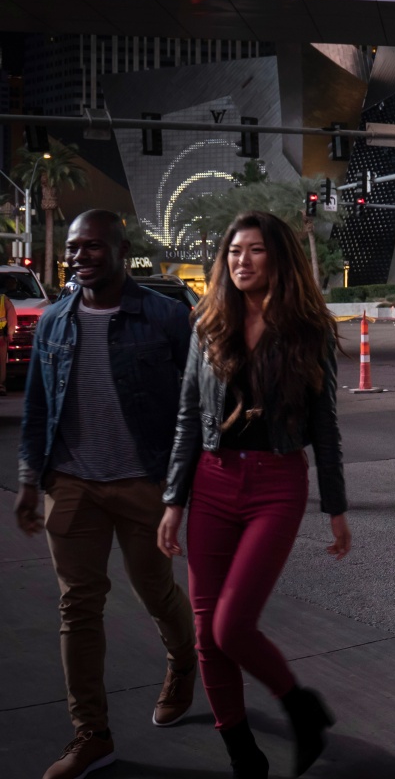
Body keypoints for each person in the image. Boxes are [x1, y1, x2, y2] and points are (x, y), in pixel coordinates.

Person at [157, 210, 351, 779]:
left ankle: (299, 705)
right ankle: (243, 754)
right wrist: (174, 501)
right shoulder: (207, 323)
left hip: (276, 483)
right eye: (234, 251)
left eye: (256, 250)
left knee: (231, 625)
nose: (242, 260)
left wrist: (335, 507)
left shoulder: (307, 331)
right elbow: (189, 418)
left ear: (279, 258)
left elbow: (326, 426)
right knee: (206, 633)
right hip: (212, 483)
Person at [14, 210, 196, 779]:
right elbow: (38, 406)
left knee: (154, 590)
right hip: (70, 482)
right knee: (78, 606)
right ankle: (91, 734)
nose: (78, 256)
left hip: (143, 480)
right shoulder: (53, 321)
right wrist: (28, 480)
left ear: (120, 249)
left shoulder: (167, 316)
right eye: (73, 248)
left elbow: (194, 406)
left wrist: (183, 487)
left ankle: (183, 660)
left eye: (92, 247)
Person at [0, 276, 16, 393]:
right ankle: (1, 385)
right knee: (1, 362)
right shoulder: (3, 299)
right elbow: (12, 319)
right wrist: (10, 333)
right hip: (1, 337)